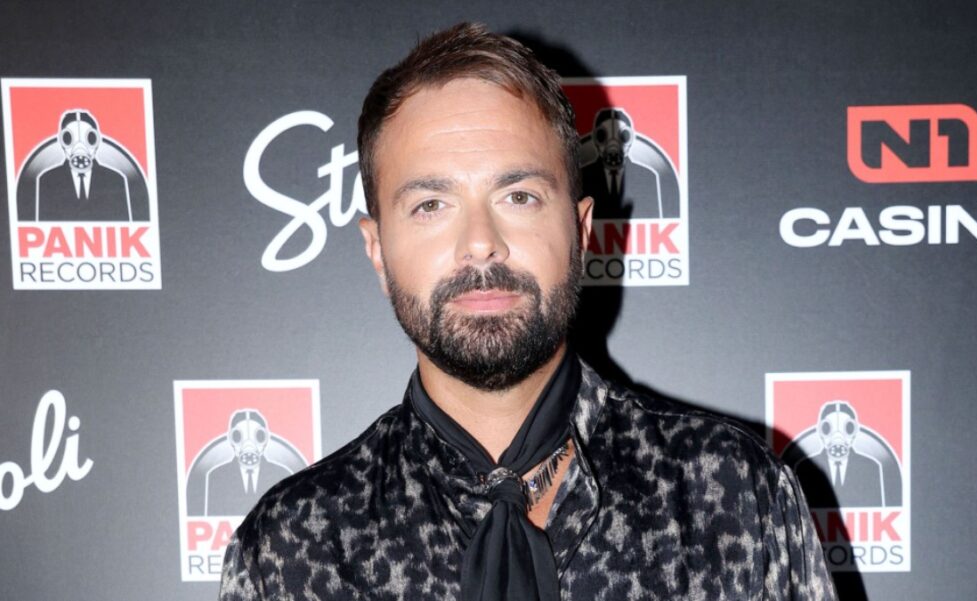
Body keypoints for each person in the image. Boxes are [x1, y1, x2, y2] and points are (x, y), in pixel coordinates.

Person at [220, 22, 837, 601]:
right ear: (377, 251)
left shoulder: (731, 495)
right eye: (431, 205)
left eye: (518, 196)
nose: (480, 242)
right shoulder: (292, 547)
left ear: (582, 231)